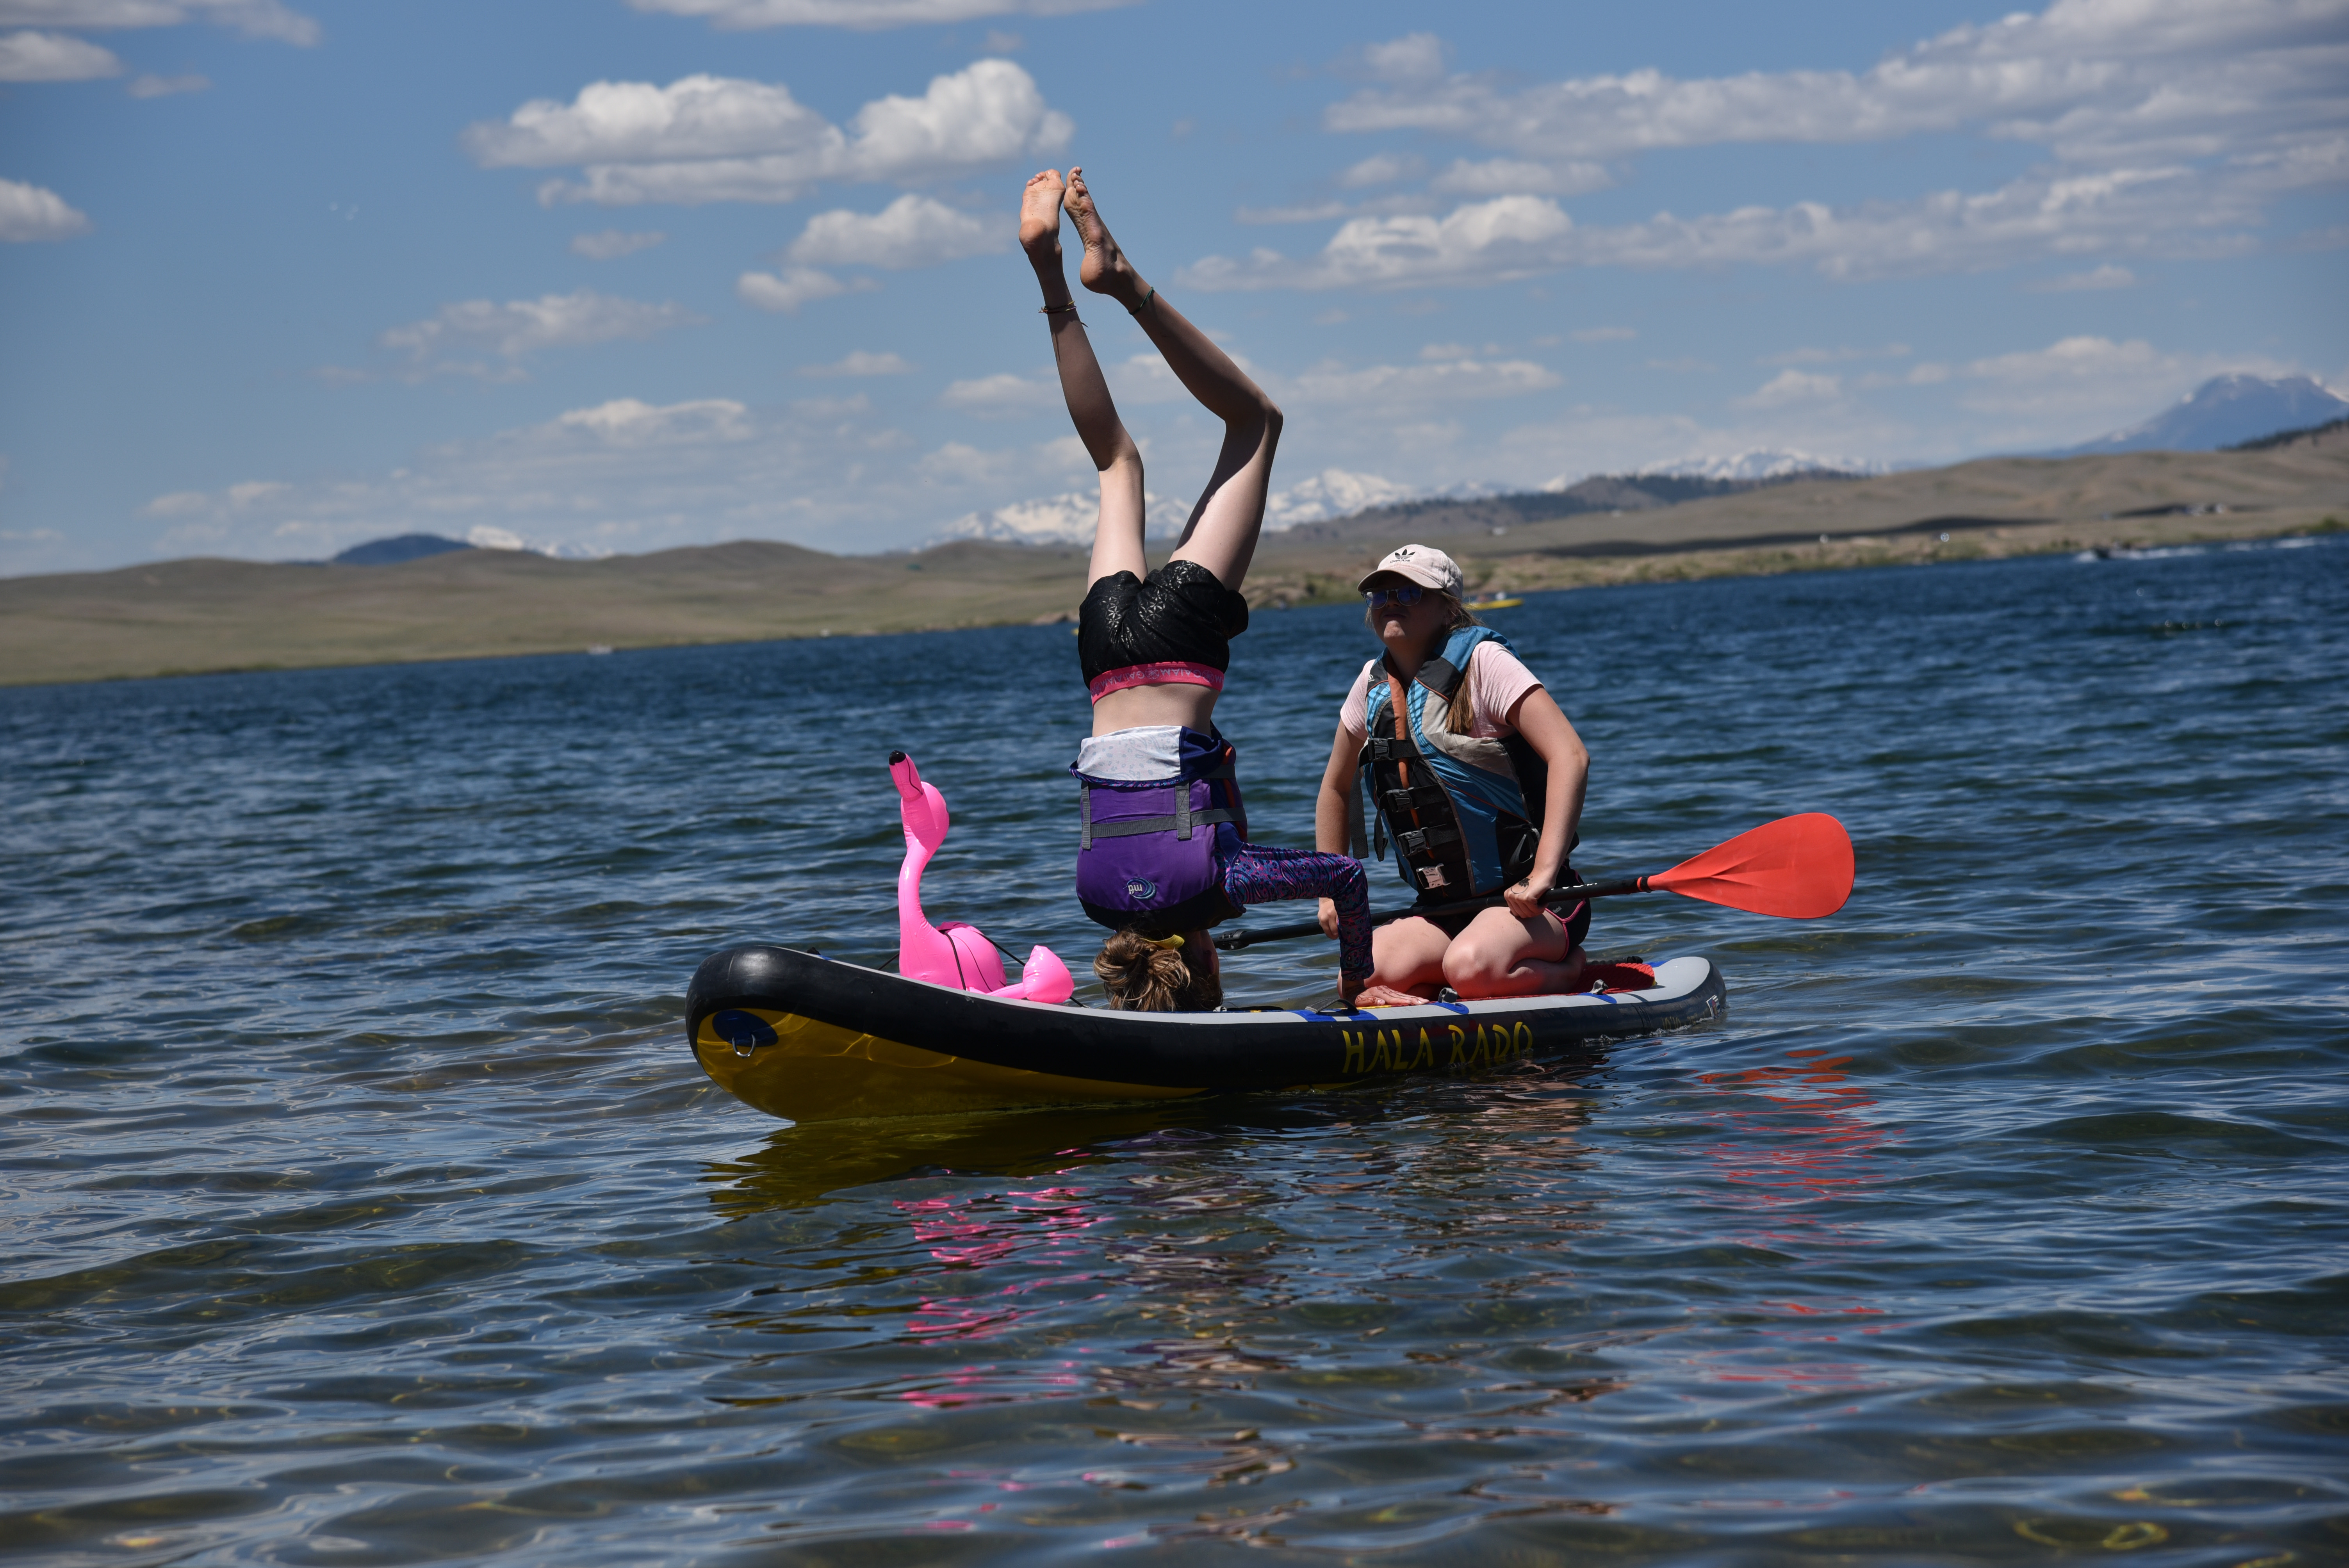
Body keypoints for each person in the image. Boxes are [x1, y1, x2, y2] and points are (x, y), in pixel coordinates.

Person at [1023, 166, 1372, 1010]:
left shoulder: (1221, 888)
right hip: (1103, 662)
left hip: (1176, 650)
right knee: (1116, 463)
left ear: (1206, 967)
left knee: (1255, 424)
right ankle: (1049, 280)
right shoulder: (1100, 903)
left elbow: (1346, 876)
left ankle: (1123, 283)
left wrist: (1357, 982)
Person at [1312, 545, 1593, 1005]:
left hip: (1536, 900)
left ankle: (1569, 967)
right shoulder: (1370, 683)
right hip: (1445, 907)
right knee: (1356, 978)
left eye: (1409, 592)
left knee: (1471, 969)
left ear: (1448, 608)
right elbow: (1335, 788)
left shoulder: (1485, 662)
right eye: (1380, 596)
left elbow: (1570, 754)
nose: (1390, 603)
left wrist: (1543, 873)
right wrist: (1331, 893)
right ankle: (1448, 989)